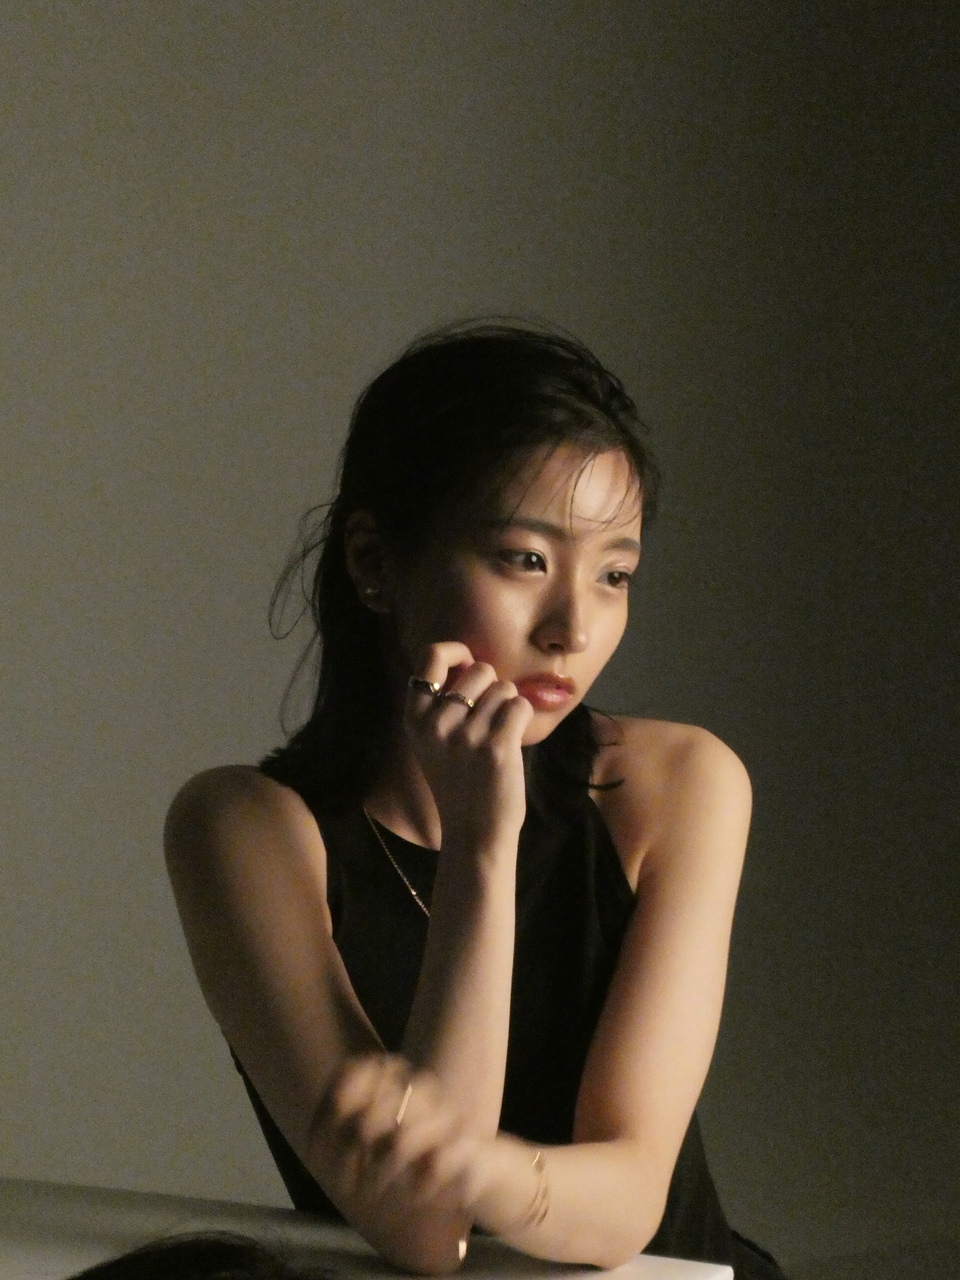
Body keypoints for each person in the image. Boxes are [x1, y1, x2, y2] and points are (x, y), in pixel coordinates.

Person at [164, 322, 787, 1278]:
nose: (574, 627)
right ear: (375, 562)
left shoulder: (679, 786)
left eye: (614, 574)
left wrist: (467, 1163)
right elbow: (423, 1233)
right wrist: (481, 845)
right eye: (525, 560)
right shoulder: (242, 830)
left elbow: (629, 1197)